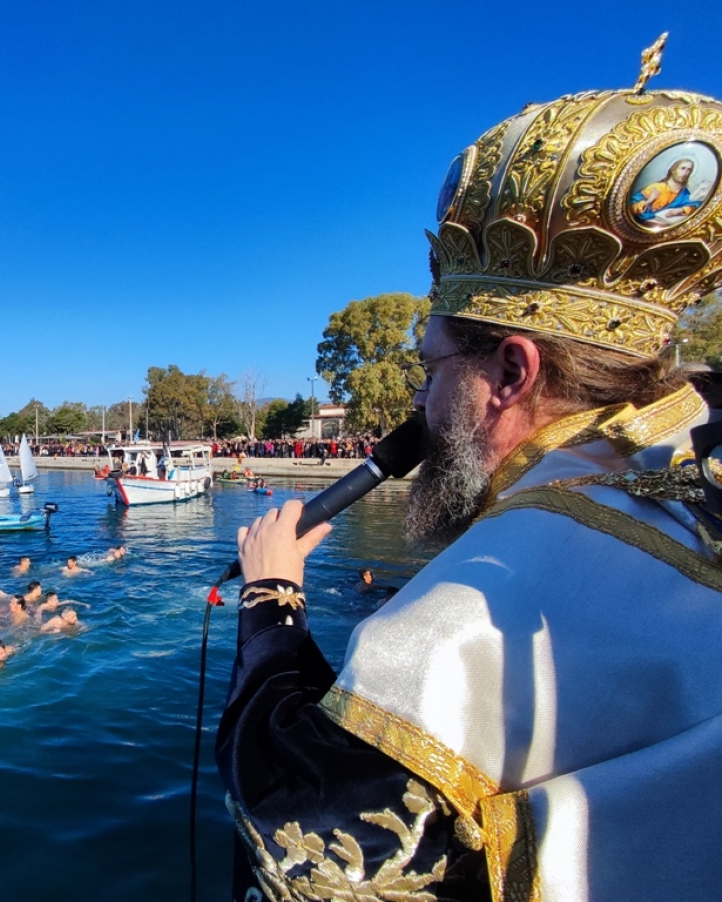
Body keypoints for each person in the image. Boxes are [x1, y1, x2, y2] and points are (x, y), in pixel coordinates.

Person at [217, 65, 722, 900]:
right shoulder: (689, 493)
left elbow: (306, 850)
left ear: (511, 372)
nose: (419, 399)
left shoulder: (461, 626)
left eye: (431, 368)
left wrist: (272, 602)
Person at [630, 157, 703, 224]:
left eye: (689, 170)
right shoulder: (656, 187)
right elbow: (631, 207)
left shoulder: (684, 193)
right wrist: (648, 201)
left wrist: (681, 210)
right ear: (673, 170)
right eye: (683, 168)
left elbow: (695, 206)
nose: (685, 173)